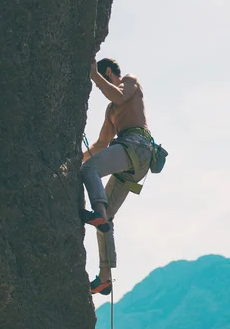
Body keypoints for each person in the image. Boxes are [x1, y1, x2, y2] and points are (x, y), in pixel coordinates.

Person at [79, 57, 155, 296]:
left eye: (103, 78)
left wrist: (94, 75)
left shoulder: (130, 82)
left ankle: (98, 215)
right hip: (130, 158)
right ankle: (104, 278)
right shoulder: (111, 110)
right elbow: (102, 143)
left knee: (89, 171)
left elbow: (119, 95)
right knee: (107, 220)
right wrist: (76, 158)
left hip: (137, 146)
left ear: (109, 72)